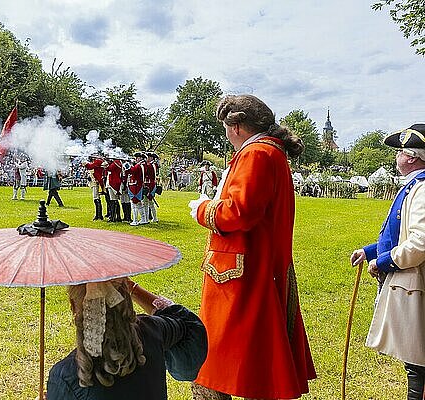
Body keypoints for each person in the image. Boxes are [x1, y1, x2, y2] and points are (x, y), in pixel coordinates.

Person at [188, 94, 315, 400]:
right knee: (251, 360)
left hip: (240, 275)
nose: (226, 135)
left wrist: (202, 209)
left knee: (218, 363)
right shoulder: (268, 152)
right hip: (252, 266)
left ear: (238, 126)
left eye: (226, 128)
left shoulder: (256, 153)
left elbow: (238, 212)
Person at [350, 123, 425, 400]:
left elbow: (420, 242)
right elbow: (398, 232)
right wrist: (370, 251)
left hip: (415, 279)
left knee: (418, 359)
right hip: (405, 276)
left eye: (401, 152)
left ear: (412, 157)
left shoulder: (422, 188)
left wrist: (384, 262)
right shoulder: (415, 186)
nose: (397, 157)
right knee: (414, 360)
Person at [45, 278, 208, 400]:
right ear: (125, 298)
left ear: (73, 306)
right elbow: (187, 322)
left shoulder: (65, 375)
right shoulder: (151, 331)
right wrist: (135, 289)